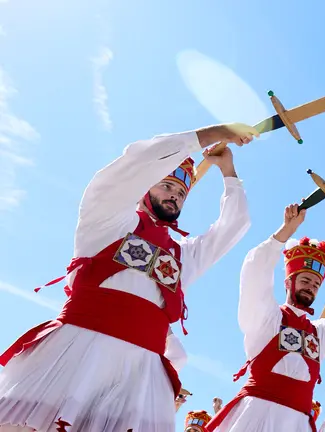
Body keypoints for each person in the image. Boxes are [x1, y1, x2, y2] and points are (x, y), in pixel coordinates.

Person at [0, 123, 259, 432]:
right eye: (166, 186)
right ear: (144, 186)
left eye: (180, 193)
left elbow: (233, 226)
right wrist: (213, 133)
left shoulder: (184, 255)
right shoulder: (108, 220)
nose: (174, 196)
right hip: (76, 353)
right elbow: (136, 164)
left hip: (136, 373)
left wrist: (228, 171)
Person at [206, 203, 325, 432]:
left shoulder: (320, 333)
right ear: (288, 283)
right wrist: (285, 231)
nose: (311, 288)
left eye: (315, 285)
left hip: (296, 424)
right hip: (255, 416)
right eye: (305, 281)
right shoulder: (268, 316)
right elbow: (256, 269)